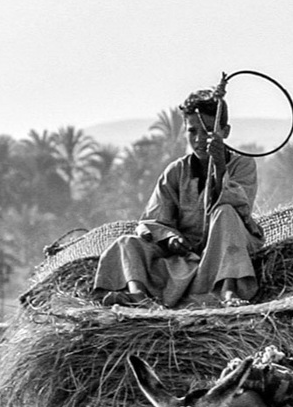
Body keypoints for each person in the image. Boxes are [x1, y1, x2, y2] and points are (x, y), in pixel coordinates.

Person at [91, 88, 263, 308]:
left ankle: (228, 290)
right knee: (127, 243)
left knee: (225, 212)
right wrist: (170, 238)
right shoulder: (175, 171)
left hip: (228, 251)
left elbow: (239, 205)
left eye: (209, 131)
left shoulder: (243, 164)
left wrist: (220, 167)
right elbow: (154, 221)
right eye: (192, 131)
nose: (200, 139)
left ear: (225, 132)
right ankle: (139, 297)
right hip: (184, 260)